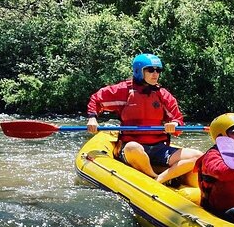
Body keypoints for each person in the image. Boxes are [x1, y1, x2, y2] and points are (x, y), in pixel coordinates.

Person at [86, 53, 202, 185]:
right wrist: (92, 118)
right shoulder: (124, 90)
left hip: (158, 148)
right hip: (131, 148)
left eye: (158, 70)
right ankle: (154, 176)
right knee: (133, 147)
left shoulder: (163, 95)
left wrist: (174, 124)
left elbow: (177, 119)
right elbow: (96, 99)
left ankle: (159, 180)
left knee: (197, 156)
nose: (155, 74)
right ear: (139, 71)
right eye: (150, 70)